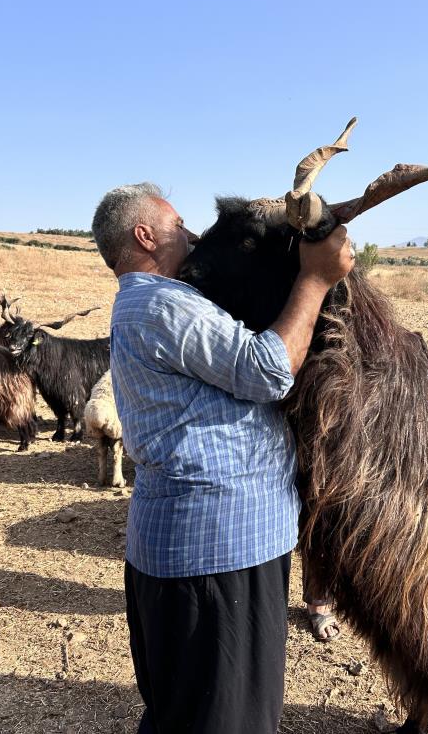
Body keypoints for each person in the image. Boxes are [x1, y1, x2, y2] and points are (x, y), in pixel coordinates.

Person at [91, 183, 354, 733]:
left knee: (188, 711)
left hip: (203, 547)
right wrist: (315, 278)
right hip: (216, 551)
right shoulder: (163, 303)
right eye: (178, 223)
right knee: (225, 719)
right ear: (145, 235)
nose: (191, 234)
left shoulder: (142, 306)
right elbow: (268, 368)